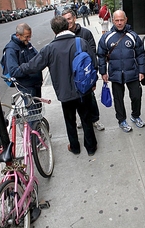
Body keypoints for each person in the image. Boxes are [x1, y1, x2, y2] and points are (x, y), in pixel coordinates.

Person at [18, 16, 98, 156]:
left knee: (69, 121)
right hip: (83, 90)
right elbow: (93, 64)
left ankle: (75, 147)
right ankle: (91, 147)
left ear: (53, 30)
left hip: (64, 93)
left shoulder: (49, 49)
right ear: (67, 26)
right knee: (86, 118)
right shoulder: (81, 42)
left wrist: (17, 69)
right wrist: (93, 82)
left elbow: (33, 66)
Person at [97, 10, 145, 132]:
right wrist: (103, 72)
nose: (119, 23)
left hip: (132, 73)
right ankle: (122, 120)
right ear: (113, 20)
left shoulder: (133, 36)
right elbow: (101, 55)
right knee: (118, 99)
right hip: (115, 74)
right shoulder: (106, 37)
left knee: (136, 96)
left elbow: (140, 54)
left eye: (121, 20)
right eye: (117, 20)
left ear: (126, 19)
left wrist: (142, 71)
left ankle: (135, 116)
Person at [62, 9, 105, 131]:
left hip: (85, 75)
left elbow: (92, 53)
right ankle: (83, 119)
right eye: (65, 20)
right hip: (71, 75)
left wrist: (93, 76)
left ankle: (95, 119)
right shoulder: (62, 36)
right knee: (75, 101)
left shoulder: (85, 33)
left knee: (90, 98)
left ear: (75, 18)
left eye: (69, 18)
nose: (68, 22)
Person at [1, 23, 42, 98]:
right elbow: (13, 71)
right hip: (26, 86)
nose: (29, 39)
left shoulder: (27, 44)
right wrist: (30, 68)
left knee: (38, 108)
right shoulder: (11, 49)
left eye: (30, 36)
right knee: (33, 109)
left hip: (36, 82)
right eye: (26, 37)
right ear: (18, 35)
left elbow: (38, 57)